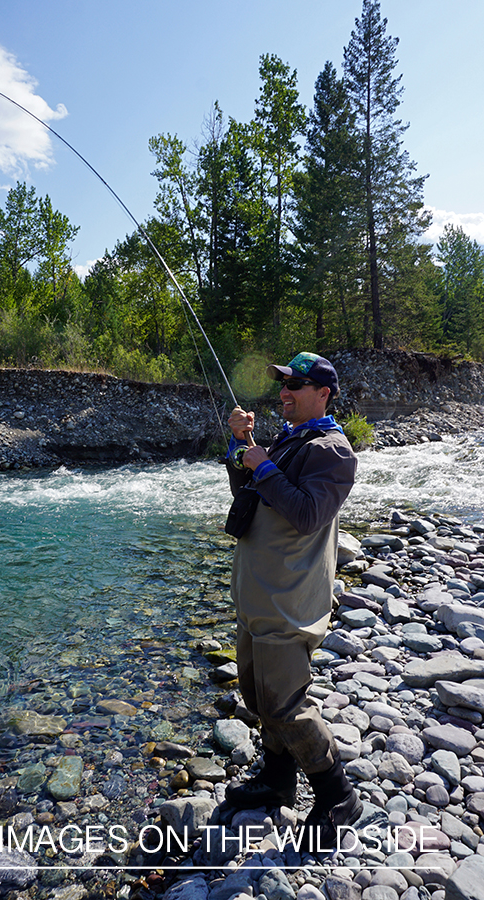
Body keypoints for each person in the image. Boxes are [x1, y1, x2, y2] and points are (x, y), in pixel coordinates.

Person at [224, 351, 362, 850]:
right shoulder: (289, 440)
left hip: (289, 599)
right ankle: (279, 779)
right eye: (283, 385)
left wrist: (262, 464)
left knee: (286, 704)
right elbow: (252, 493)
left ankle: (337, 795)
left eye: (296, 386)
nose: (284, 393)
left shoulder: (333, 451)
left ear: (323, 393)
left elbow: (306, 514)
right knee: (258, 696)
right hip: (258, 593)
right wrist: (244, 448)